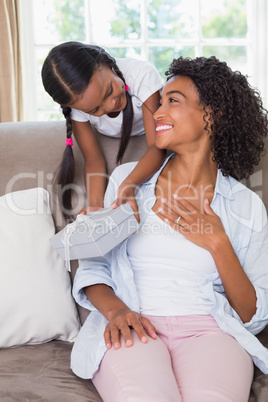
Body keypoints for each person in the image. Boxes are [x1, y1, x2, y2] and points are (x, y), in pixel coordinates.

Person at [70, 56, 268, 402]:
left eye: (172, 101)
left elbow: (253, 317)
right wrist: (117, 311)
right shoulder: (127, 186)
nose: (158, 112)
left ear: (214, 112)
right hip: (134, 323)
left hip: (211, 331)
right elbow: (93, 266)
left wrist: (218, 243)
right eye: (159, 101)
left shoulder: (244, 205)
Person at [41, 41, 165, 221]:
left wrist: (128, 184)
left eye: (109, 91)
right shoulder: (78, 107)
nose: (110, 105)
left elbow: (156, 147)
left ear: (106, 64)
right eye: (94, 110)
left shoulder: (141, 76)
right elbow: (93, 159)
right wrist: (96, 206)